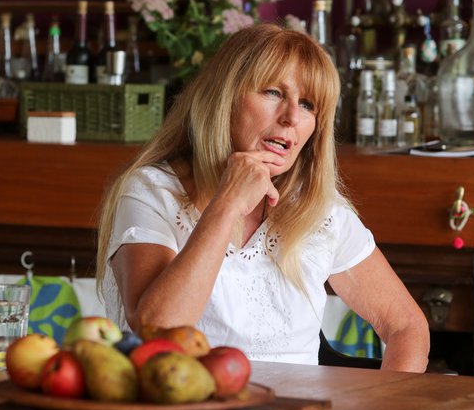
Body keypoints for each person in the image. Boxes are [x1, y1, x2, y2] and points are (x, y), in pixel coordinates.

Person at [96, 23, 430, 372]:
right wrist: (226, 205)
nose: (290, 118)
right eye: (273, 92)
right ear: (224, 98)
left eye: (307, 104)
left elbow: (407, 327)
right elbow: (157, 332)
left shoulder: (319, 208)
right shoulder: (152, 190)